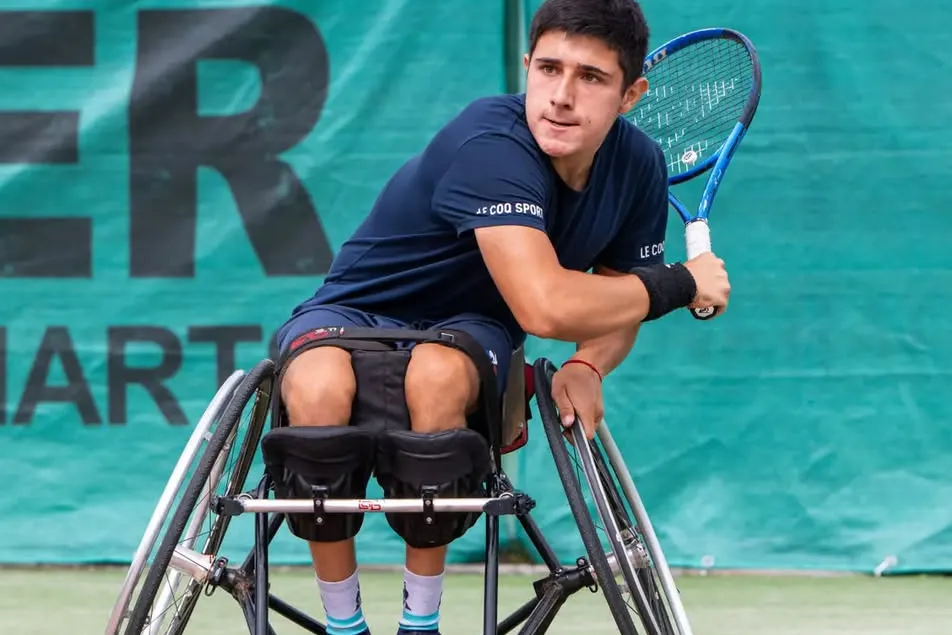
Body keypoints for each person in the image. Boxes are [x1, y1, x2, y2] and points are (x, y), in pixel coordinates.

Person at [274, 0, 730, 633]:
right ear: (527, 67)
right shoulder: (492, 140)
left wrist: (589, 364)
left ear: (631, 95)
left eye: (591, 78)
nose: (561, 96)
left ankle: (420, 622)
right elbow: (547, 305)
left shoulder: (639, 166)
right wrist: (681, 283)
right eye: (548, 69)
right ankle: (344, 623)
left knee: (435, 377)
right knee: (317, 384)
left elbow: (615, 294)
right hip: (351, 310)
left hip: (469, 330)